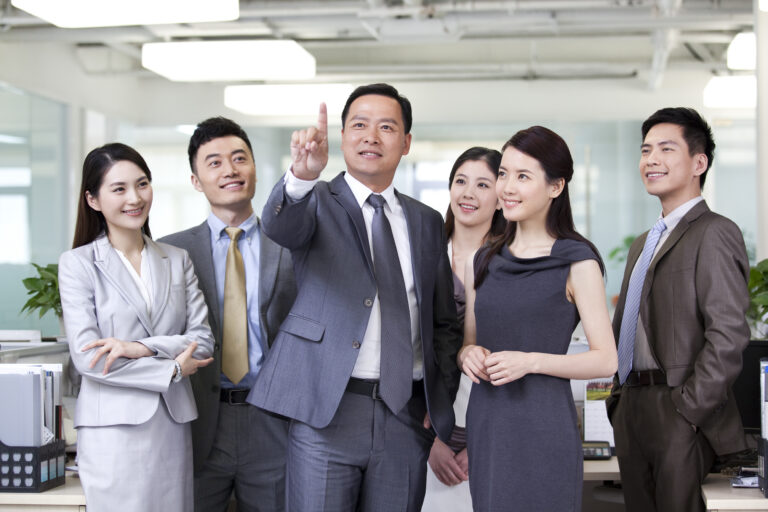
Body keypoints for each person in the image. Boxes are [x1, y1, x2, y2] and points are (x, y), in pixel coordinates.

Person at [249, 83, 462, 511]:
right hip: (327, 409)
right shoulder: (315, 200)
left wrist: (438, 400)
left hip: (405, 414)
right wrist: (301, 177)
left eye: (386, 127)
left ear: (405, 143)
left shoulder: (425, 220)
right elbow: (280, 228)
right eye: (359, 125)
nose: (371, 136)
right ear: (342, 136)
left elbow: (442, 322)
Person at [459, 126, 618, 511]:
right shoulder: (481, 260)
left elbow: (606, 359)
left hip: (543, 425)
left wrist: (529, 361)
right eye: (503, 174)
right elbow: (468, 341)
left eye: (523, 176)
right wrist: (467, 355)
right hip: (488, 424)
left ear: (555, 187)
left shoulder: (577, 261)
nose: (507, 187)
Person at [606, 107, 751, 512]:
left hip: (679, 409)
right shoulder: (643, 243)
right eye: (646, 150)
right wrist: (619, 402)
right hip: (632, 407)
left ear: (698, 163)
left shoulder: (715, 231)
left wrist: (687, 409)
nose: (651, 159)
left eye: (666, 149)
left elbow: (728, 335)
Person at [58, 143, 214, 512]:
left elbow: (203, 340)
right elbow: (90, 358)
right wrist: (173, 367)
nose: (135, 198)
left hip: (171, 427)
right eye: (119, 189)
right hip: (112, 432)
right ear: (93, 200)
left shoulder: (176, 259)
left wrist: (140, 348)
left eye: (142, 184)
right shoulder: (79, 264)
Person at [159, 117, 296, 512]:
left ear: (254, 167)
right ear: (196, 181)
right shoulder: (171, 253)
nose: (230, 170)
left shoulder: (292, 245)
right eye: (214, 162)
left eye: (239, 158)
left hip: (272, 419)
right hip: (197, 420)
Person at [422, 146, 505, 511]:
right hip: (425, 433)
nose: (468, 193)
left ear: (502, 198)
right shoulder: (423, 256)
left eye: (483, 184)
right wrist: (432, 441)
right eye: (460, 181)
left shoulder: (512, 266)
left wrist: (483, 441)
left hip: (496, 431)